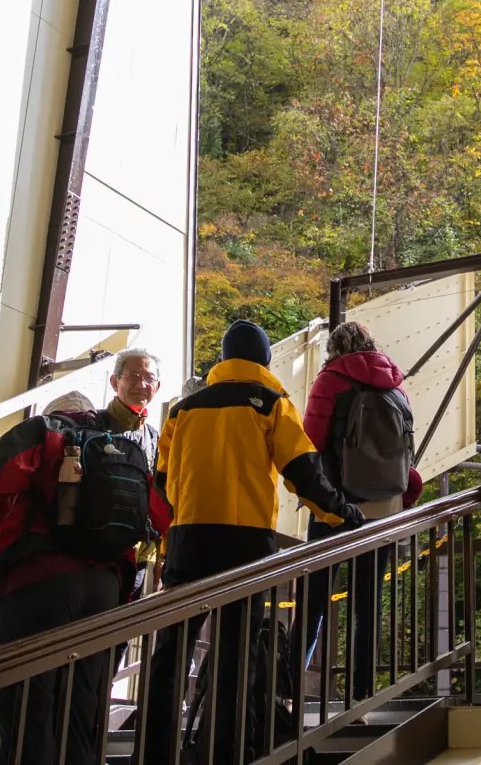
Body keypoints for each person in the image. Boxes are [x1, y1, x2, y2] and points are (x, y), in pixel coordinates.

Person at [142, 320, 366, 765]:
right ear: (264, 359)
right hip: (244, 546)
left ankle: (154, 752)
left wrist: (182, 520)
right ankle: (226, 751)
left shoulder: (183, 410)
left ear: (223, 359)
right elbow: (303, 471)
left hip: (187, 542)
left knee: (171, 652)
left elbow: (163, 480)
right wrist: (340, 513)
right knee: (236, 655)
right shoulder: (269, 403)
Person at [0, 349, 171, 765]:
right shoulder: (120, 446)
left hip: (38, 581)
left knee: (25, 700)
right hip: (107, 588)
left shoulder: (45, 431)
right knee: (83, 704)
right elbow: (159, 515)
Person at [301, 322, 422, 700]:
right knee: (368, 604)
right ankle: (362, 693)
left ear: (334, 349)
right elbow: (406, 452)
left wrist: (313, 494)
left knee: (314, 600)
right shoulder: (395, 384)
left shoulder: (330, 380)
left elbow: (309, 443)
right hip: (385, 508)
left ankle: (287, 687)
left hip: (336, 507)